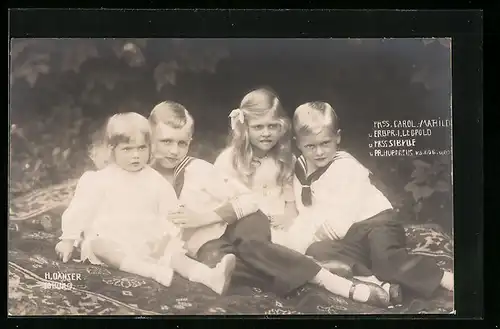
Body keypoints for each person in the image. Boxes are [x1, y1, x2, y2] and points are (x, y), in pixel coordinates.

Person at [148, 95, 391, 308]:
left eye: (180, 143)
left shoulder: (198, 170)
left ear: (190, 141)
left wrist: (202, 218)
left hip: (245, 222)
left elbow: (248, 201)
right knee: (228, 266)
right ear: (150, 140)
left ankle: (337, 284)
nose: (173, 151)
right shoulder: (142, 181)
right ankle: (316, 267)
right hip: (211, 242)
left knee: (252, 245)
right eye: (166, 142)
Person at [276, 101, 454, 301]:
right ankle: (377, 283)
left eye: (325, 143)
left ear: (338, 137)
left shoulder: (347, 167)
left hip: (376, 224)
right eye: (310, 146)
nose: (319, 152)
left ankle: (441, 278)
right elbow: (306, 212)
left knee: (386, 260)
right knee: (317, 251)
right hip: (349, 236)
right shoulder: (299, 169)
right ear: (298, 143)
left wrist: (312, 233)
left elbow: (339, 224)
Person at [54, 112, 236, 295]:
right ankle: (150, 271)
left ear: (149, 148)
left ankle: (210, 277)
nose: (135, 156)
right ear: (112, 149)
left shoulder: (154, 180)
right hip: (113, 238)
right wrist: (68, 240)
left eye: (141, 148)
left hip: (149, 241)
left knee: (176, 256)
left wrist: (165, 240)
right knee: (99, 246)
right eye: (127, 149)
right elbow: (80, 210)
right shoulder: (98, 180)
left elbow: (172, 213)